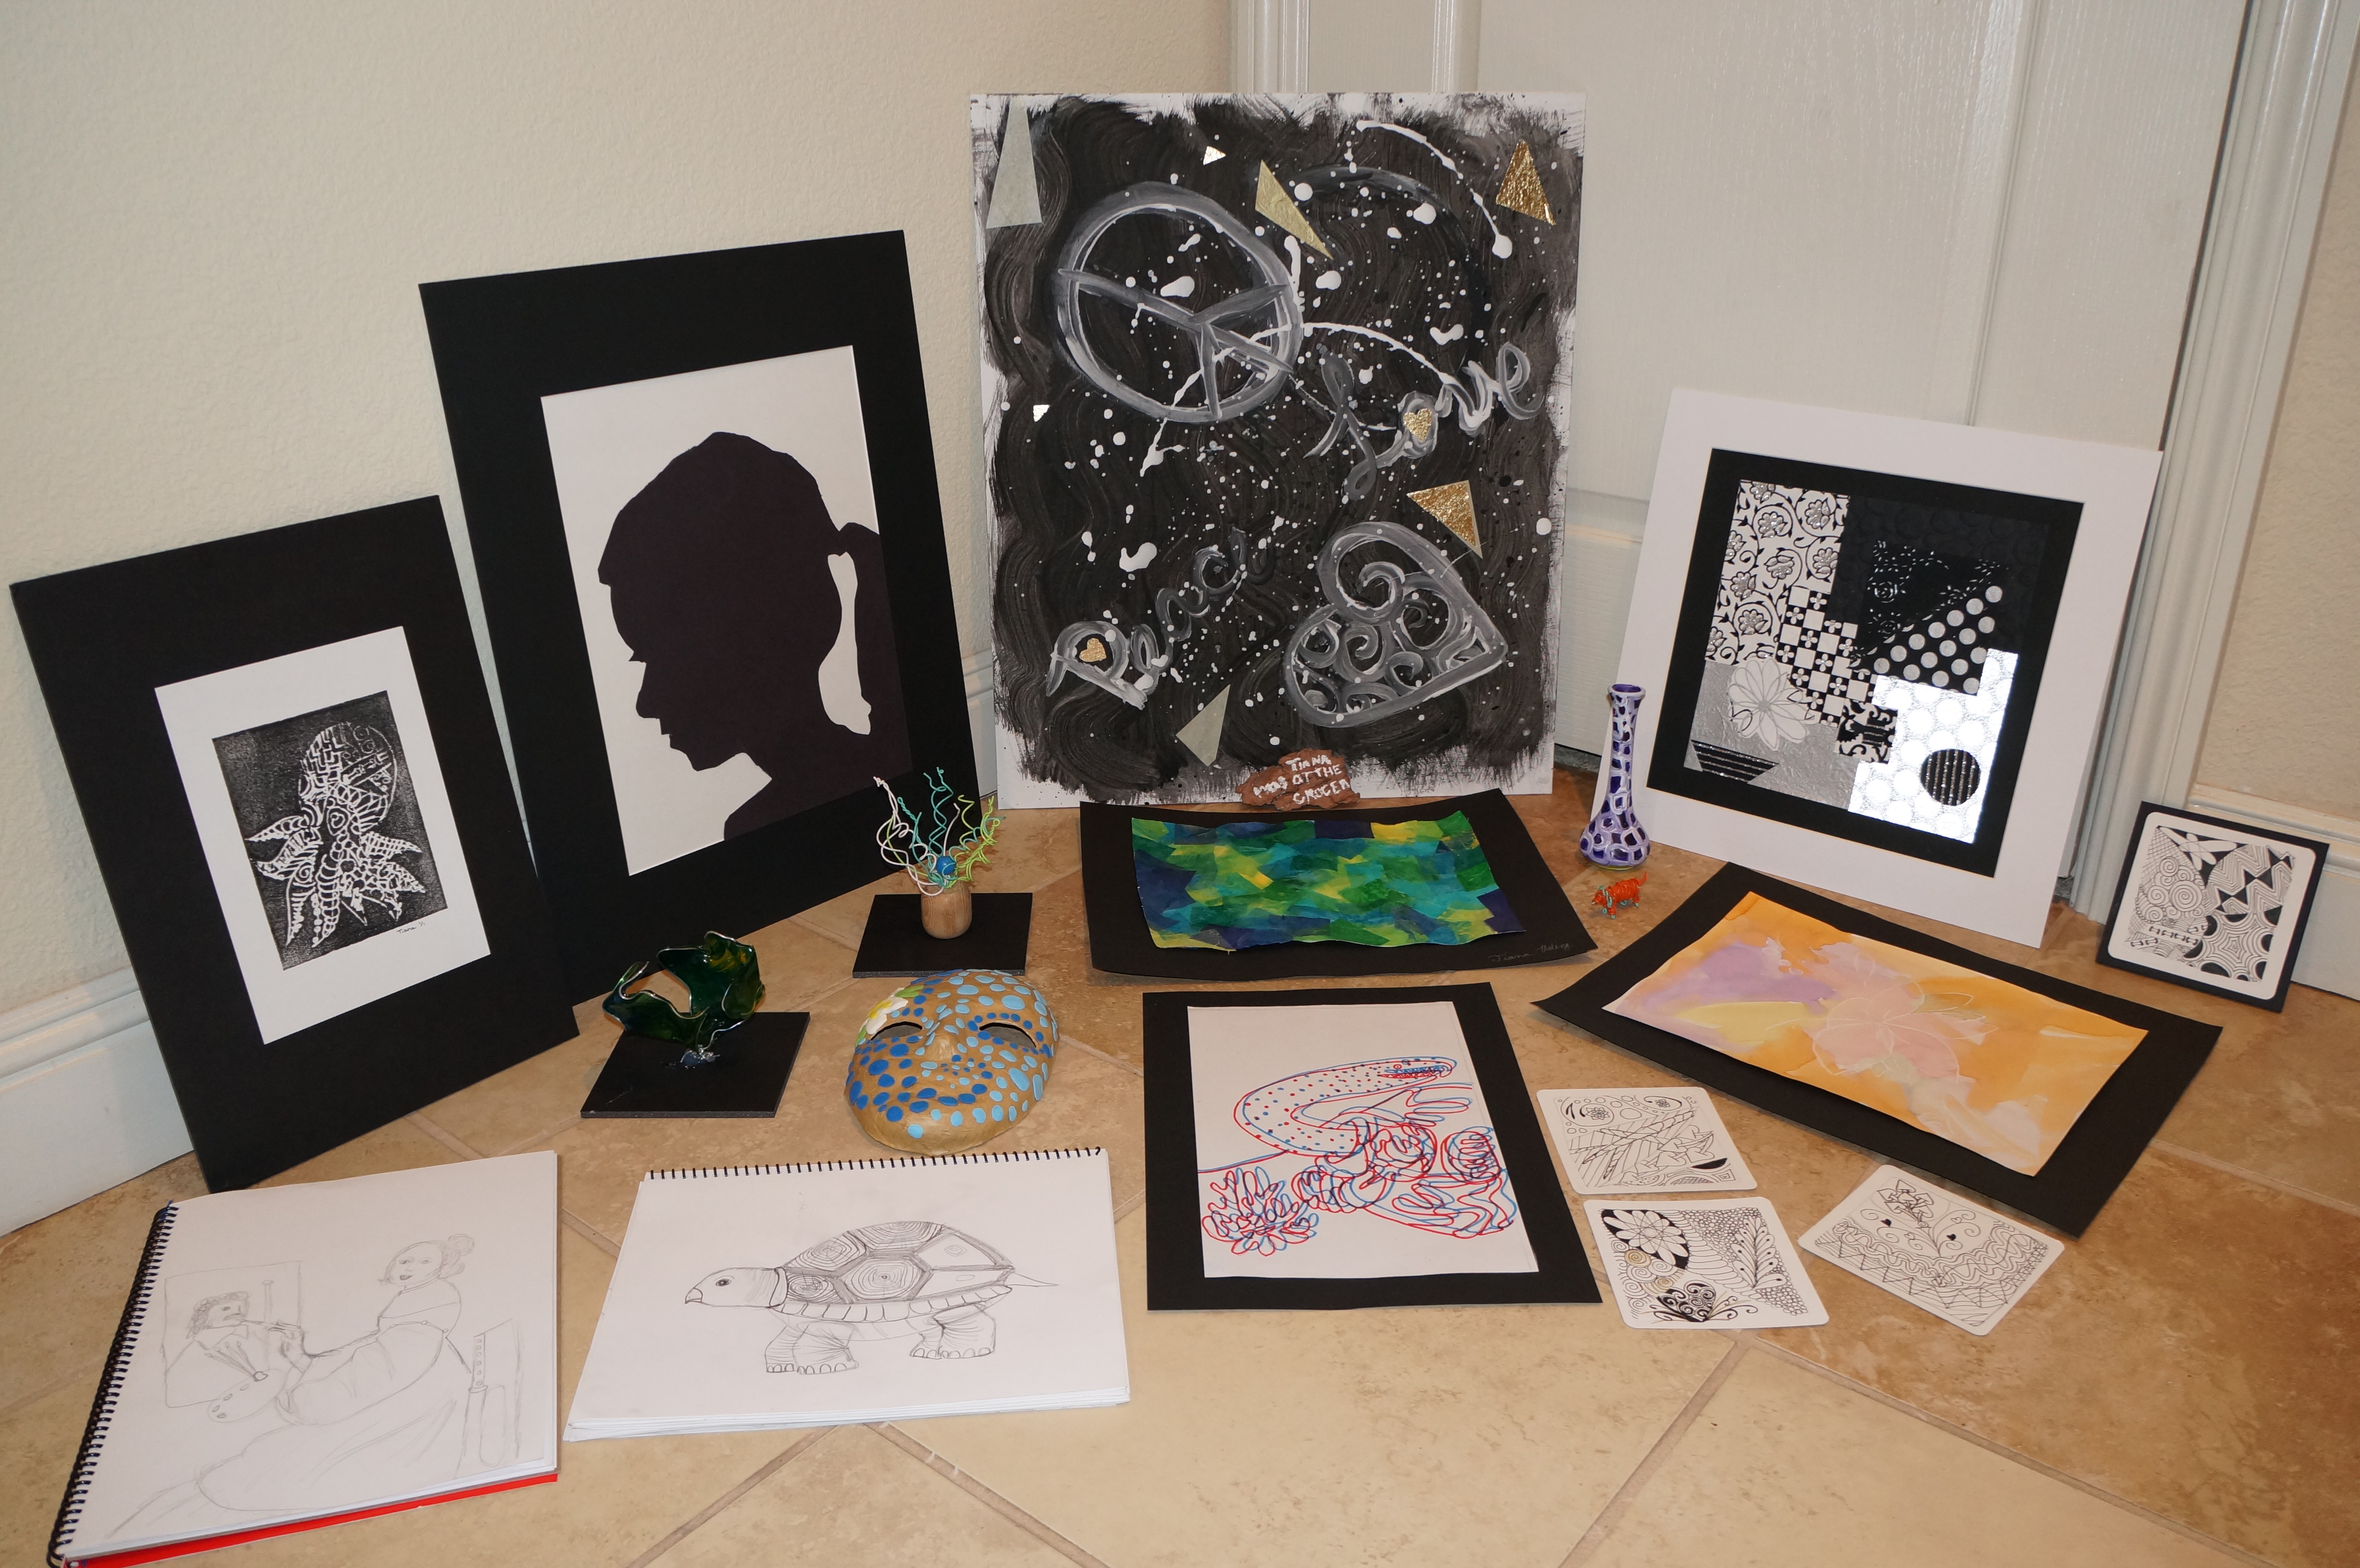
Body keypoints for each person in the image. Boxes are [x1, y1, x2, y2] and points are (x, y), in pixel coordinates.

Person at [599, 430, 911, 838]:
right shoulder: (890, 766)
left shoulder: (762, 826)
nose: (645, 704)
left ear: (748, 635)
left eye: (661, 658)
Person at [118, 1236, 480, 1533]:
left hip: (397, 1433)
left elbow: (352, 1389)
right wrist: (300, 1357)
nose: (410, 1267)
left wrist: (292, 1384)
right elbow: (355, 1358)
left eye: (424, 1263)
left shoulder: (416, 1333)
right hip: (376, 1419)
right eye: (405, 1259)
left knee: (259, 1475)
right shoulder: (407, 1321)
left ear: (441, 1271)